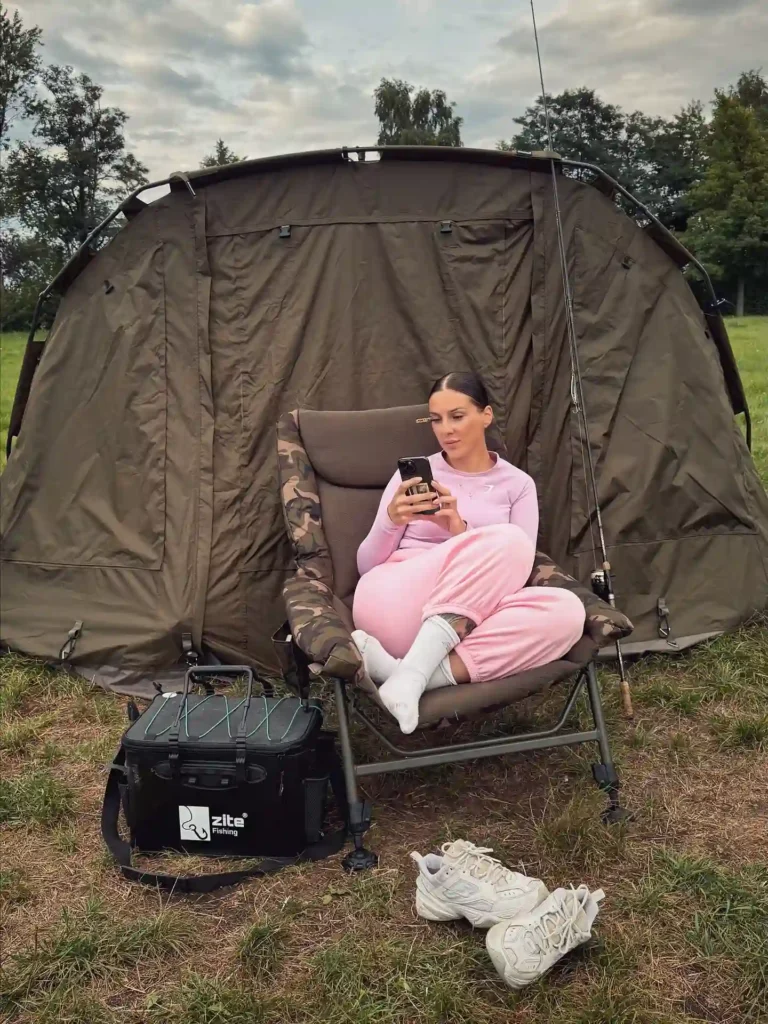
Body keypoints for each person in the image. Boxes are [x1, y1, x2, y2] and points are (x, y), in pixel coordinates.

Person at [352, 371, 586, 734]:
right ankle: (415, 673)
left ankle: (406, 676)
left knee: (569, 612)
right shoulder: (409, 480)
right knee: (509, 539)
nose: (446, 429)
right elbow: (367, 567)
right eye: (436, 419)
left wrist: (460, 531)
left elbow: (519, 570)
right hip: (394, 602)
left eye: (457, 416)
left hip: (468, 617)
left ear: (486, 416)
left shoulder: (518, 485)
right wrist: (391, 521)